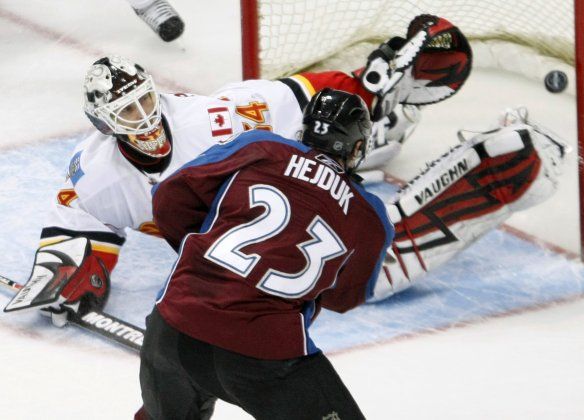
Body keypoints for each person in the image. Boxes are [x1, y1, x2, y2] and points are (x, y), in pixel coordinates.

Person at [3, 15, 476, 324]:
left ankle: (410, 138)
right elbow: (79, 218)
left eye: (146, 99)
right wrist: (64, 271)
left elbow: (297, 95)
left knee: (363, 197)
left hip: (291, 188)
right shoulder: (97, 171)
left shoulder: (216, 118)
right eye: (128, 112)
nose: (145, 118)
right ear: (102, 123)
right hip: (247, 237)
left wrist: (367, 87)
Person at [139, 88, 390, 420]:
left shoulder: (258, 146)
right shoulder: (370, 216)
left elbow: (169, 197)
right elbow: (345, 297)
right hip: (264, 356)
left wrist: (210, 253)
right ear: (358, 147)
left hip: (171, 329)